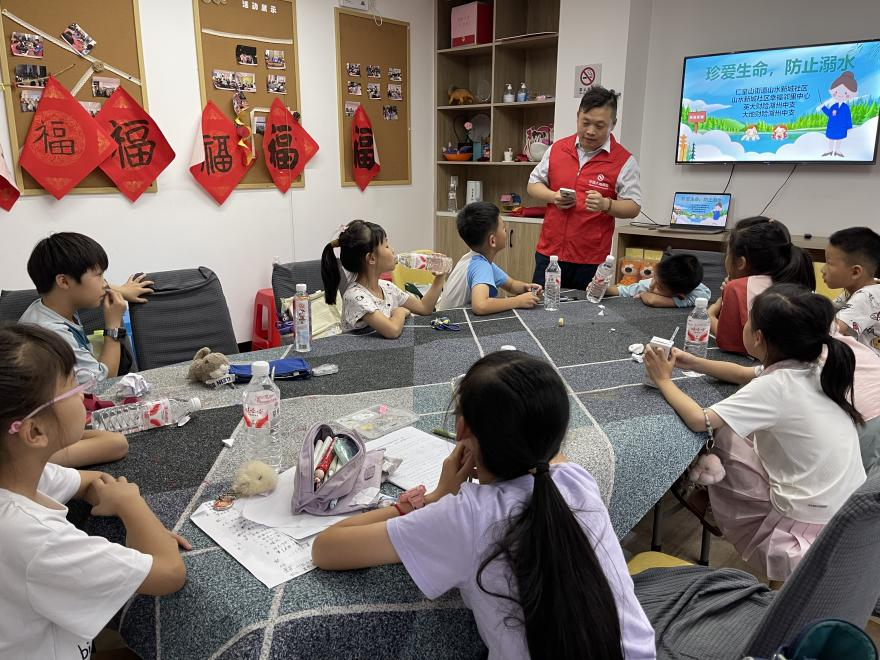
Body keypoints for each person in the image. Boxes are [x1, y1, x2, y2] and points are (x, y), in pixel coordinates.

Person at [313, 351, 656, 659]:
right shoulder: (576, 479)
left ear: (462, 430)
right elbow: (544, 448)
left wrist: (435, 497)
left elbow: (326, 548)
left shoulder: (466, 515)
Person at [645, 284, 865, 582]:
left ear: (758, 337)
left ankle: (701, 495)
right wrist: (693, 361)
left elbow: (700, 420)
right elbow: (746, 374)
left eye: (748, 321)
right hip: (843, 511)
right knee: (742, 427)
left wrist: (663, 380)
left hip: (797, 522)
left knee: (722, 434)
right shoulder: (816, 365)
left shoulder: (775, 386)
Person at [0, 325, 187, 658]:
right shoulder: (35, 538)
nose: (84, 395)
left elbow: (90, 483)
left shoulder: (21, 475)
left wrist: (143, 528)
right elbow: (170, 573)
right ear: (35, 431)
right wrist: (132, 505)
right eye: (74, 387)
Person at [527, 86, 642, 290]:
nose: (590, 131)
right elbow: (533, 184)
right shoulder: (558, 149)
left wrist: (606, 204)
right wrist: (553, 196)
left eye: (599, 125)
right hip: (550, 254)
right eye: (585, 122)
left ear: (613, 124)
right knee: (542, 306)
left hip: (590, 260)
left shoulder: (624, 160)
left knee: (586, 309)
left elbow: (633, 206)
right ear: (578, 116)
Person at [19, 232, 153, 382]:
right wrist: (113, 327)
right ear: (63, 281)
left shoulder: (51, 304)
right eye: (99, 275)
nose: (105, 284)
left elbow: (88, 285)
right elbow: (102, 383)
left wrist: (123, 291)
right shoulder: (54, 335)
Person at [320, 220, 447, 339]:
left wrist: (440, 276)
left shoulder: (387, 287)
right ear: (371, 258)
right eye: (386, 246)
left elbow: (424, 308)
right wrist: (400, 311)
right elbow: (392, 330)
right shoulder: (355, 296)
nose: (393, 250)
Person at [709, 217, 815, 353]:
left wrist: (709, 316)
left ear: (741, 262)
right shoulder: (795, 278)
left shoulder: (736, 288)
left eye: (728, 253)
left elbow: (730, 343)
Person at [437, 202, 542, 313]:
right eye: (503, 228)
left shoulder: (475, 259)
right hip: (451, 320)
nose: (506, 231)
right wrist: (518, 301)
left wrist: (526, 288)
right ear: (492, 241)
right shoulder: (481, 266)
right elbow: (481, 306)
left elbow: (511, 285)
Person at [822, 226, 880, 355]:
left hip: (870, 366)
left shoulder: (868, 296)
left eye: (829, 263)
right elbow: (828, 311)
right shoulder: (855, 290)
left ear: (855, 272)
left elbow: (832, 329)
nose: (822, 270)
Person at [607, 252, 711, 308]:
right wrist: (603, 289)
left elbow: (652, 300)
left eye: (659, 287)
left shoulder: (701, 296)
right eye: (654, 277)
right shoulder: (654, 282)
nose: (651, 285)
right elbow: (624, 290)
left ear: (680, 296)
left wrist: (643, 294)